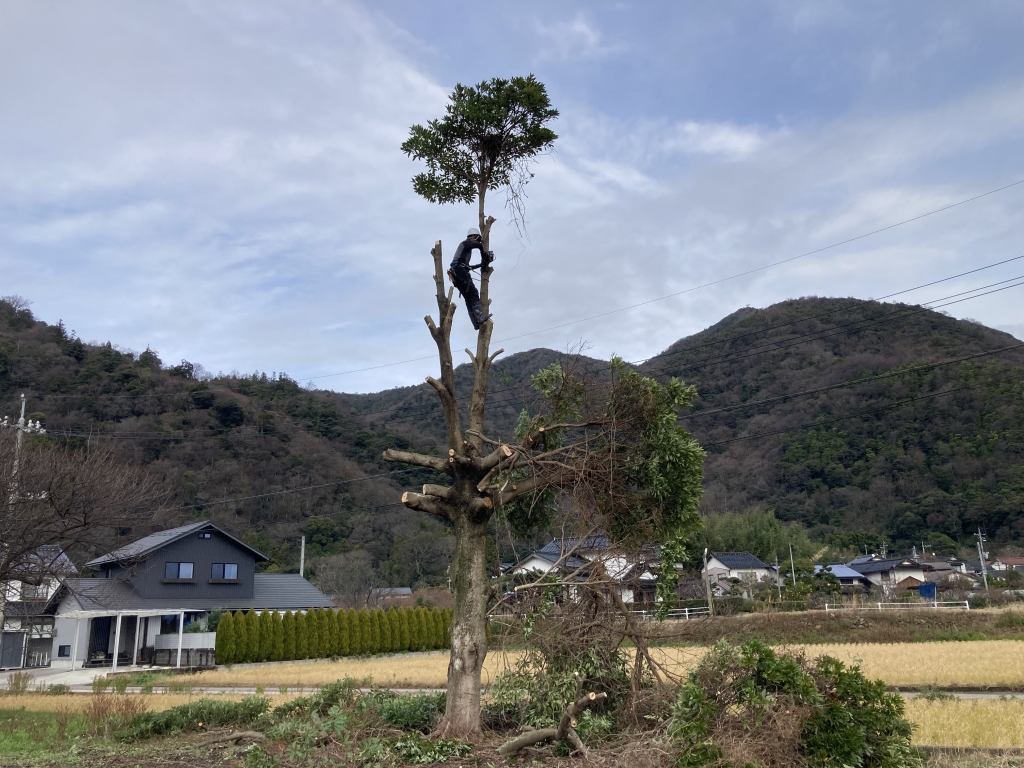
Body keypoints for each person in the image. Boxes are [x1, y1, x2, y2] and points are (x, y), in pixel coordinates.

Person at [448, 227, 494, 330]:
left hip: (457, 273)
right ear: (474, 237)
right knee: (473, 293)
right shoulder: (465, 243)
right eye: (477, 239)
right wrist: (484, 255)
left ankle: (475, 323)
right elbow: (479, 245)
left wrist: (481, 265)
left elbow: (467, 267)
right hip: (459, 271)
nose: (477, 242)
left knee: (468, 298)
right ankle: (480, 316)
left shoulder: (464, 253)